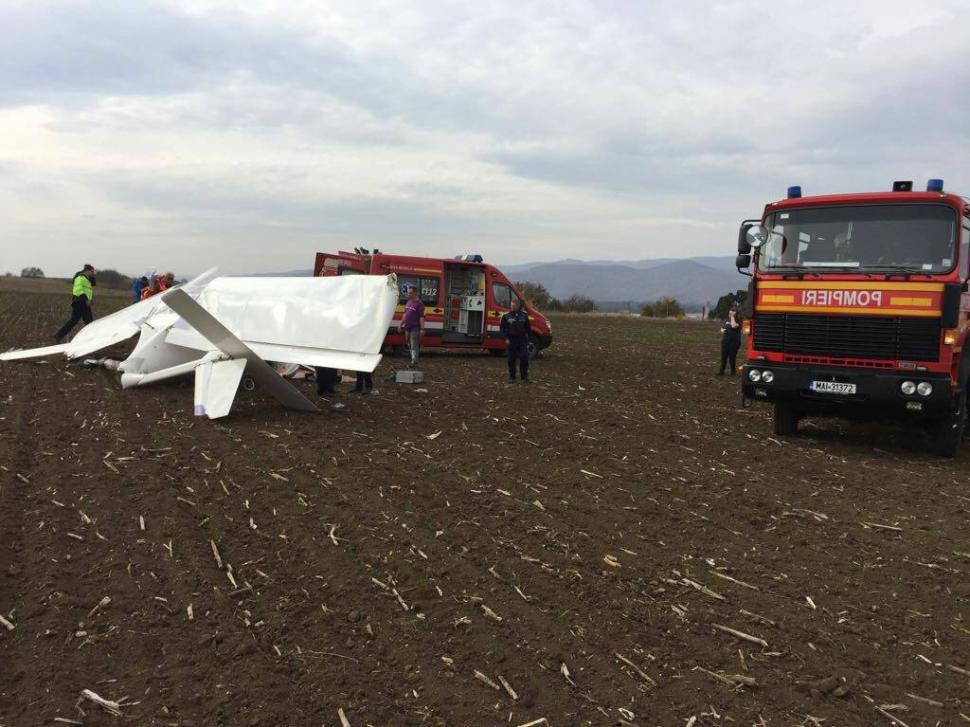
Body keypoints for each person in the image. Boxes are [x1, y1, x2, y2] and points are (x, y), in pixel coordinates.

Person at [54, 264, 97, 342]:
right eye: (92, 271)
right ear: (87, 270)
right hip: (79, 303)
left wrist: (93, 276)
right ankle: (58, 336)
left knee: (89, 322)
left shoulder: (87, 279)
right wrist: (86, 300)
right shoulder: (79, 278)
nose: (93, 273)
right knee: (73, 321)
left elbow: (94, 284)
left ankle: (91, 339)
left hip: (86, 304)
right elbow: (78, 290)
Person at [500, 298, 531, 383]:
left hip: (522, 340)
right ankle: (512, 377)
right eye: (511, 305)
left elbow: (528, 328)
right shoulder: (506, 316)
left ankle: (524, 378)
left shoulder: (524, 315)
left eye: (514, 305)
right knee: (511, 360)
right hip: (511, 340)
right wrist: (505, 338)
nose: (512, 307)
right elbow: (502, 329)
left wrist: (528, 339)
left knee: (524, 358)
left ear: (518, 306)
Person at [398, 285, 425, 368]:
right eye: (408, 293)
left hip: (415, 328)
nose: (408, 294)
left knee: (414, 345)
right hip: (407, 327)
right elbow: (405, 315)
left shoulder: (419, 304)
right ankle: (413, 359)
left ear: (415, 293)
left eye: (410, 293)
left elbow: (421, 317)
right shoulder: (408, 302)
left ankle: (414, 362)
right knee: (409, 344)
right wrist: (400, 324)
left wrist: (422, 329)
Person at [718, 303, 742, 376]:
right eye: (730, 311)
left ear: (736, 313)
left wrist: (732, 317)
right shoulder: (726, 320)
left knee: (732, 357)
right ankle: (721, 371)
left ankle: (733, 372)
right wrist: (722, 330)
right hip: (725, 341)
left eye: (733, 311)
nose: (731, 312)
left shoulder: (739, 320)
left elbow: (733, 326)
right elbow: (723, 327)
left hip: (734, 342)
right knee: (723, 357)